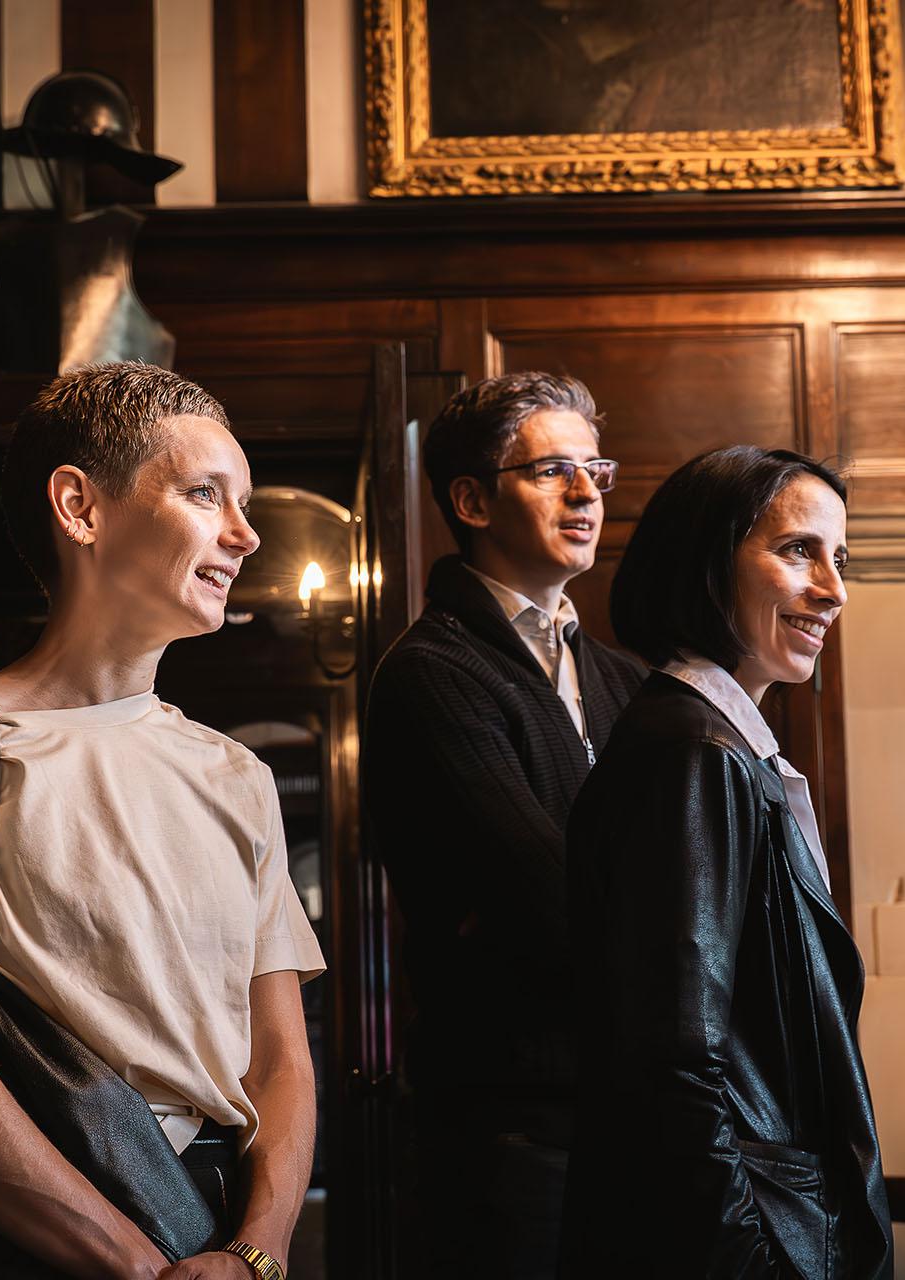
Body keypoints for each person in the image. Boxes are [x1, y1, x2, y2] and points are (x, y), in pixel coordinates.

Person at [0, 362, 324, 1279]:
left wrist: (257, 1253)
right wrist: (136, 1267)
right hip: (36, 1227)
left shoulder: (237, 774)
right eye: (207, 494)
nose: (245, 535)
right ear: (80, 507)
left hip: (215, 1221)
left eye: (242, 503)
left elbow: (281, 1058)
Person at [562, 445, 893, 1277]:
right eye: (797, 551)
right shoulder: (691, 751)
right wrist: (754, 1261)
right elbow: (675, 1063)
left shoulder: (715, 745)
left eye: (840, 558)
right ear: (707, 562)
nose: (834, 589)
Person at [362, 372, 645, 1277]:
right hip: (508, 1128)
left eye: (594, 468)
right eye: (553, 469)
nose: (587, 493)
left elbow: (681, 876)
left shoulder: (621, 679)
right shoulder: (431, 672)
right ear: (473, 499)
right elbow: (545, 901)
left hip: (631, 1110)